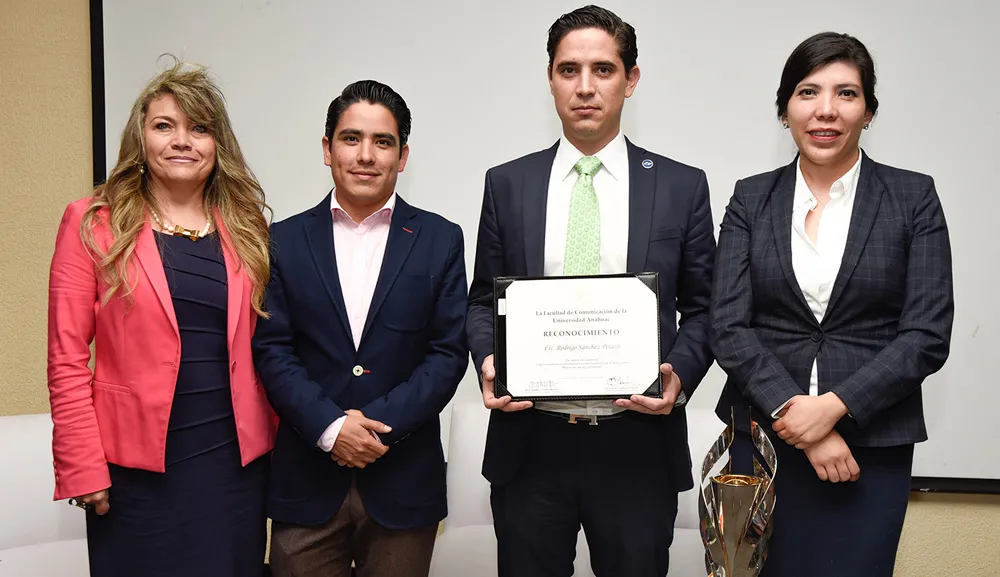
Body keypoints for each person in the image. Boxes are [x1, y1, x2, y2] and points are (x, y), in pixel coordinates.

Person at [466, 5, 716, 577]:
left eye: (603, 70)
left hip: (636, 444)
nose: (585, 87)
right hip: (531, 440)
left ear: (630, 80)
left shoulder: (681, 186)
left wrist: (678, 371)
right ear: (549, 78)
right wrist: (487, 358)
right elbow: (482, 300)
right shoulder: (507, 183)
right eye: (568, 69)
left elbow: (705, 308)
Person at [710, 31, 954, 577]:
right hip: (764, 442)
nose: (826, 110)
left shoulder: (913, 197)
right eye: (807, 92)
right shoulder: (751, 197)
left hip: (873, 447)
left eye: (846, 93)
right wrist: (798, 415)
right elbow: (727, 325)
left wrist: (833, 408)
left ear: (868, 110)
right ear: (784, 110)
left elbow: (926, 334)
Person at [46, 60, 276, 577]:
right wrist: (83, 466)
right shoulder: (92, 223)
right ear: (141, 138)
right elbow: (65, 357)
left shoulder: (249, 227)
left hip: (234, 468)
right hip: (134, 473)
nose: (182, 140)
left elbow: (268, 347)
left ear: (218, 146)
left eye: (199, 128)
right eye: (164, 125)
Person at [251, 79, 468, 577]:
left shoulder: (440, 238)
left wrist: (371, 429)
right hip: (306, 480)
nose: (366, 155)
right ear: (327, 150)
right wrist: (332, 428)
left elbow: (447, 353)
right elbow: (273, 349)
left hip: (403, 480)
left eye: (382, 141)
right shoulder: (282, 239)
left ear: (403, 154)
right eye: (351, 139)